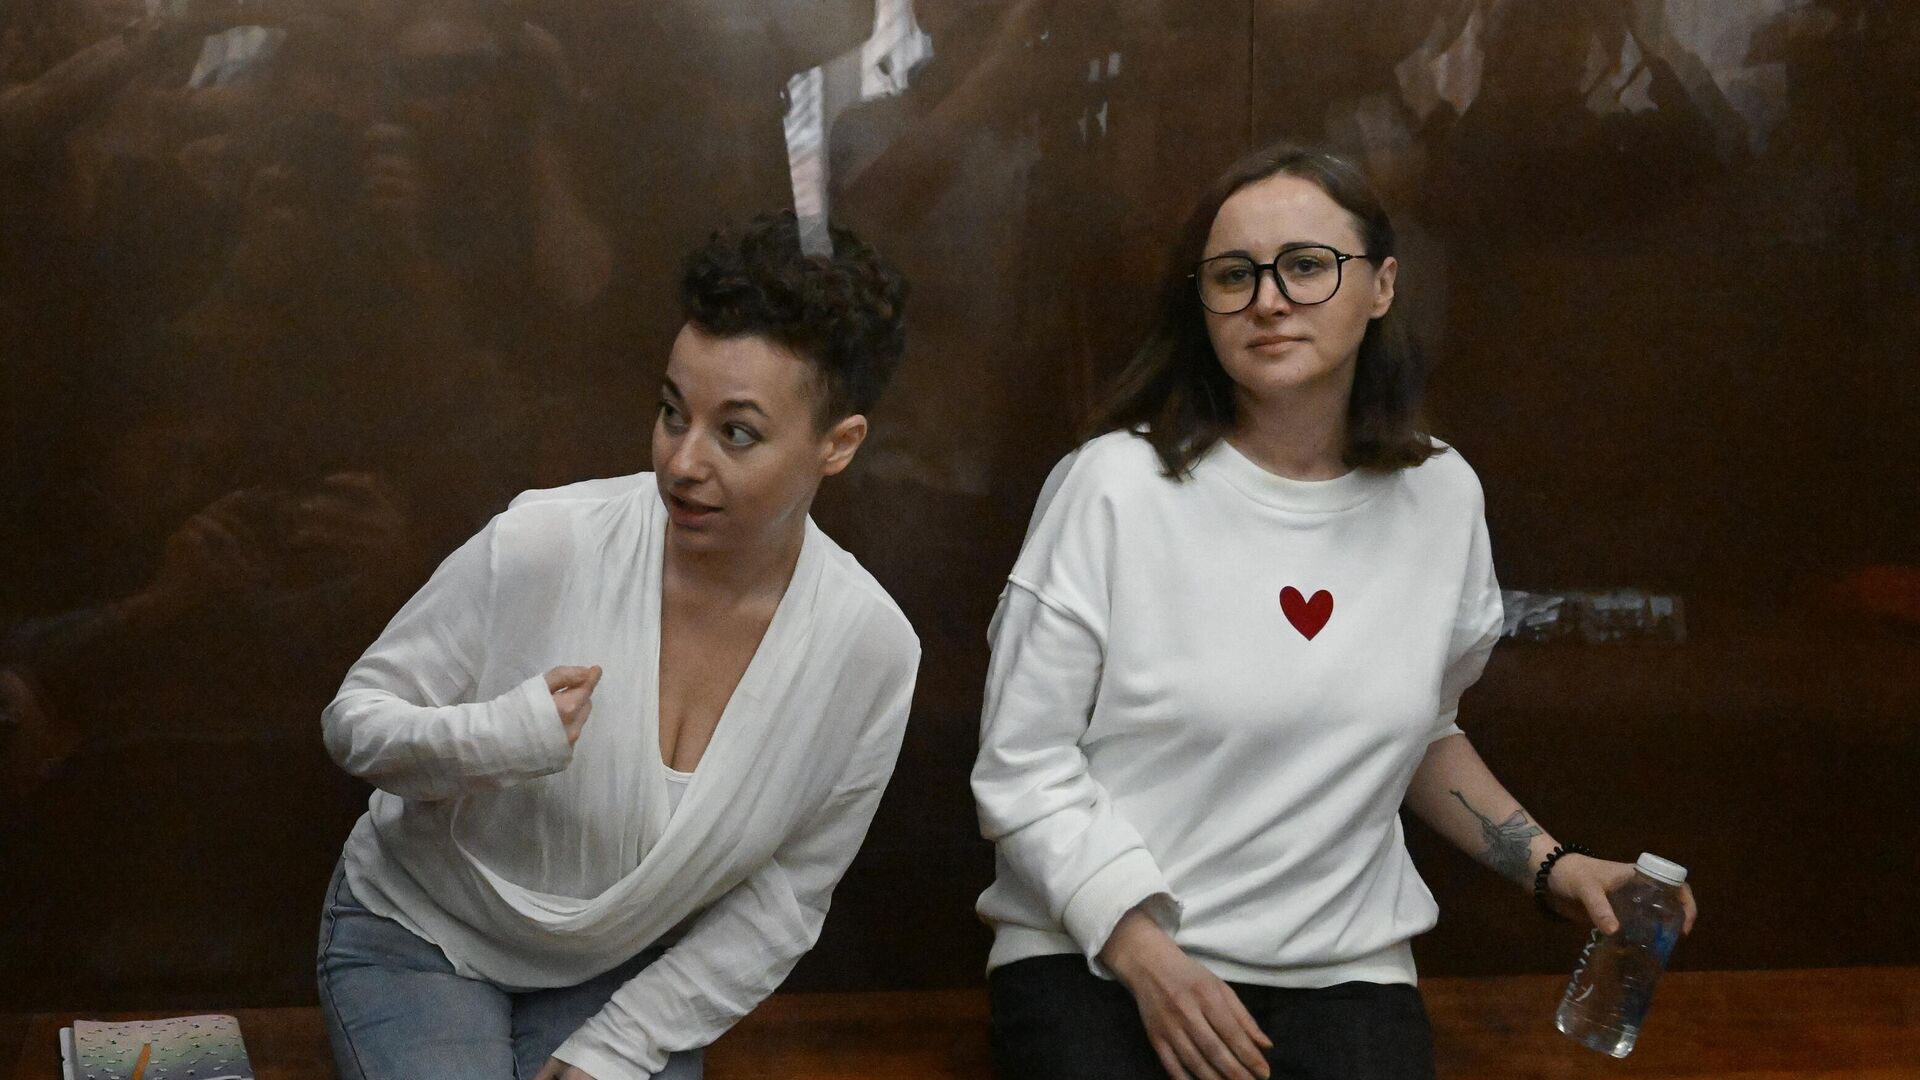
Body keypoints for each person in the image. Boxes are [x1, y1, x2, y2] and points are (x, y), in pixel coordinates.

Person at [970, 142, 1698, 1080]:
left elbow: (1420, 733)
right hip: (1098, 952)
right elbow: (1023, 767)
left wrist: (1553, 866)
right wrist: (1146, 953)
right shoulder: (1113, 485)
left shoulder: (1441, 493)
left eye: (1307, 266)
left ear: (1383, 285)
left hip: (1341, 968)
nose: (1269, 300)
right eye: (1234, 276)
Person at [316, 210, 918, 1080]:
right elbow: (354, 722)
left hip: (618, 973)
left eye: (736, 433)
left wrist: (624, 1044)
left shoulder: (870, 651)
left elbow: (786, 898)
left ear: (839, 445)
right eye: (673, 413)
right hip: (419, 936)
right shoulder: (547, 541)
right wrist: (496, 741)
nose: (683, 462)